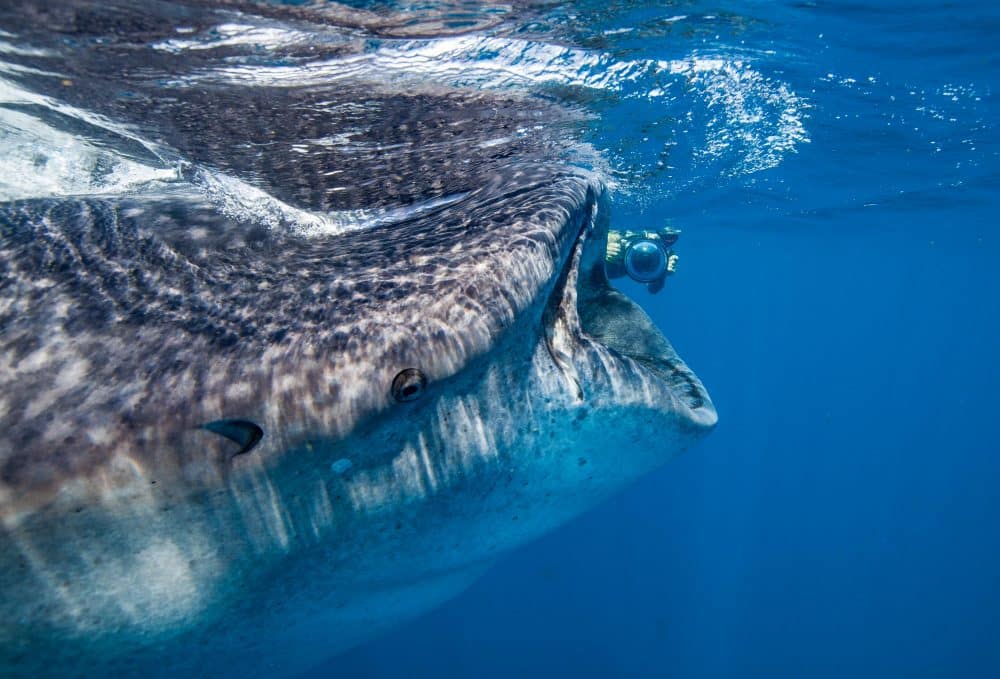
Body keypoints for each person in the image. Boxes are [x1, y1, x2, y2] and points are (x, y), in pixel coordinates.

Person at [604, 226, 680, 294]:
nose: (644, 252)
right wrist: (602, 249)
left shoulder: (662, 254)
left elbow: (653, 289)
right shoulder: (616, 241)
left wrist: (662, 271)